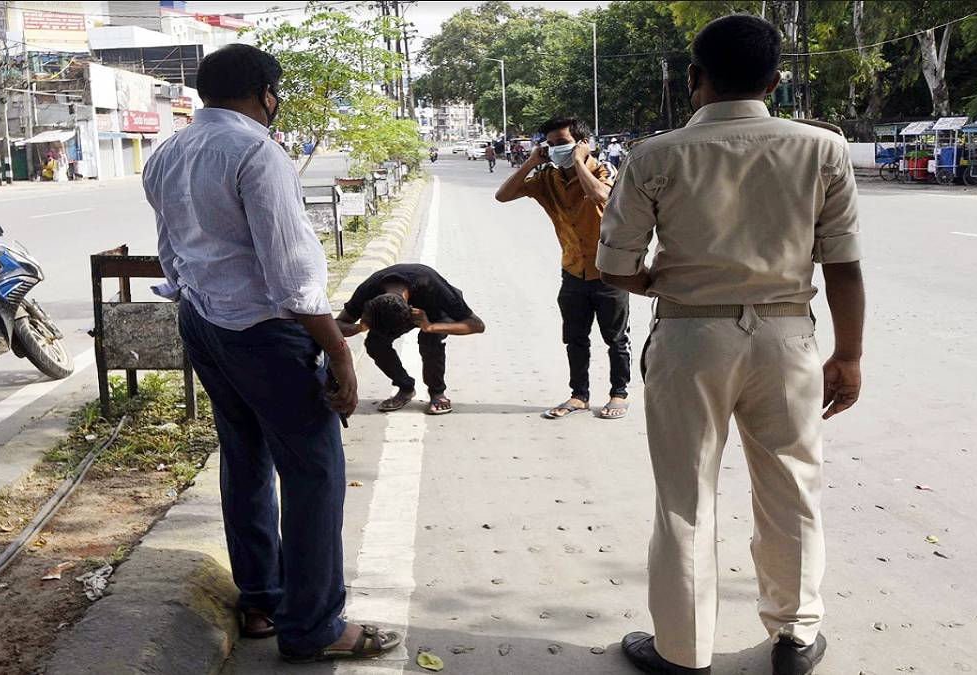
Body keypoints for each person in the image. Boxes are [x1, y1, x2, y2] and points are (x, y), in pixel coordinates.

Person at [598, 15, 865, 675]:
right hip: (787, 336)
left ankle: (683, 653)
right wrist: (849, 355)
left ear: (695, 77)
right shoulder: (822, 149)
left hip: (689, 335)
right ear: (775, 81)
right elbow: (844, 266)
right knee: (792, 485)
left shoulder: (654, 155)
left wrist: (661, 278)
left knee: (685, 497)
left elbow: (615, 268)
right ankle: (796, 637)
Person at [143, 44, 402, 665]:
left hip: (204, 322)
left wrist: (199, 306)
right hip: (264, 332)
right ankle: (313, 626)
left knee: (245, 457)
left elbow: (171, 253)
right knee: (314, 473)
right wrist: (338, 352)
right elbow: (291, 276)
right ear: (266, 93)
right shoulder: (258, 151)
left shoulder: (167, 153)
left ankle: (262, 597)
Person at [495, 115, 631, 421]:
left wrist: (580, 163)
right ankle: (579, 395)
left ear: (583, 144)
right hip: (572, 269)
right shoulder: (547, 178)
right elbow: (503, 196)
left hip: (608, 270)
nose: (556, 149)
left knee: (616, 339)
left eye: (563, 143)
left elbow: (602, 196)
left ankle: (618, 393)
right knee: (575, 337)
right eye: (551, 144)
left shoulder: (603, 168)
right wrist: (531, 163)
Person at [336, 263, 485, 416]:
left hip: (435, 314)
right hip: (388, 311)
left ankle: (437, 392)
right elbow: (337, 325)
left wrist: (430, 327)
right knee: (375, 343)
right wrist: (359, 328)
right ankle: (406, 388)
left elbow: (477, 325)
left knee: (430, 340)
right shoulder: (367, 291)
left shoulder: (434, 287)